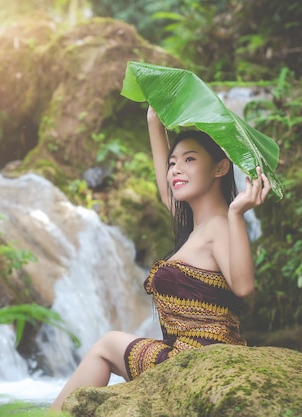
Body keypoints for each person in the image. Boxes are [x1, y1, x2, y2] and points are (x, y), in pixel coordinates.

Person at [49, 105, 271, 411]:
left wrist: (237, 213)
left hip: (197, 356)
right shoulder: (197, 228)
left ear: (220, 168)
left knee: (106, 345)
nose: (176, 170)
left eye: (189, 160)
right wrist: (154, 121)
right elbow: (167, 192)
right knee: (107, 344)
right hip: (186, 354)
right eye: (172, 163)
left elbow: (243, 287)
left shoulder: (220, 225)